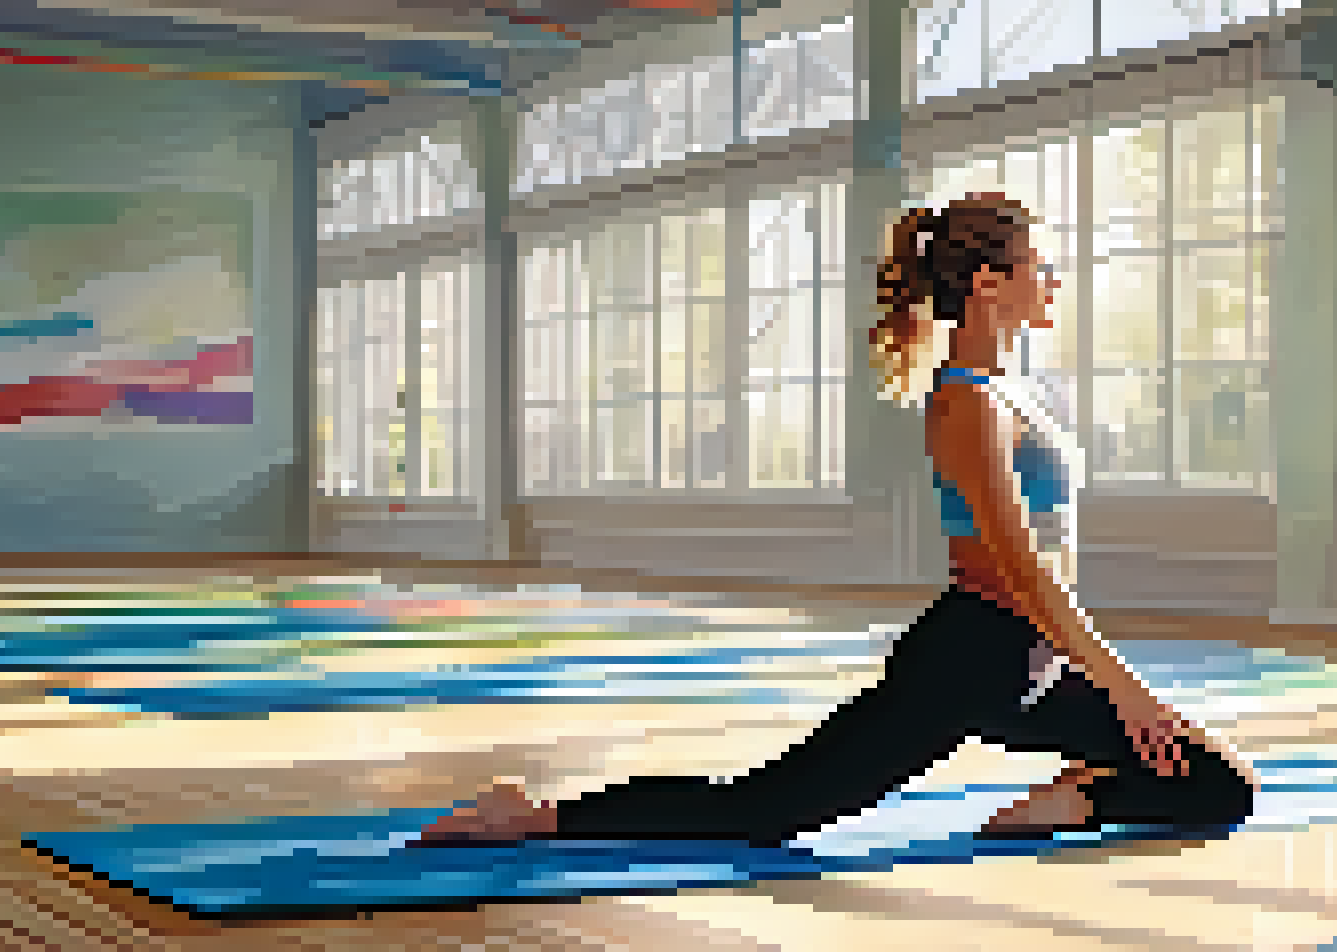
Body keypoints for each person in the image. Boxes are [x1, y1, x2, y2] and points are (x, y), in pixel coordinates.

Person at [417, 193, 1254, 847]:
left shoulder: (1014, 395)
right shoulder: (966, 408)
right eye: (1039, 265)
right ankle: (531, 814)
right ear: (990, 284)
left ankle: (1077, 793)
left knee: (1220, 782)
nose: (1053, 282)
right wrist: (1124, 687)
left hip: (1034, 661)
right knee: (765, 811)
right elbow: (1022, 571)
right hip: (972, 656)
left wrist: (1107, 698)